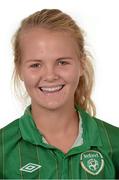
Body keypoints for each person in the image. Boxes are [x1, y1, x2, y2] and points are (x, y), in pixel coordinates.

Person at [0, 9, 119, 179]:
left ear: (81, 64)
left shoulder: (114, 143)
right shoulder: (3, 150)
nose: (50, 76)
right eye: (35, 65)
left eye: (62, 62)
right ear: (19, 69)